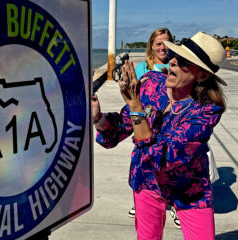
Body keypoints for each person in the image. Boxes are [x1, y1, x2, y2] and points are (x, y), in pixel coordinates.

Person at [92, 31, 226, 239]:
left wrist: (136, 106)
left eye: (183, 61)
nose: (173, 62)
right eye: (175, 56)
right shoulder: (152, 84)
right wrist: (98, 117)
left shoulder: (207, 110)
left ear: (202, 75)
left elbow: (168, 155)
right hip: (147, 180)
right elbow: (121, 127)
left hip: (189, 188)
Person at [128, 27, 174, 221]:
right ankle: (143, 201)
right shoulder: (143, 68)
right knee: (146, 164)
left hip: (172, 124)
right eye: (158, 44)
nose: (162, 47)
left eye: (166, 43)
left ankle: (174, 205)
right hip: (147, 124)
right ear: (152, 47)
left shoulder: (176, 65)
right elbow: (133, 97)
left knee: (170, 165)